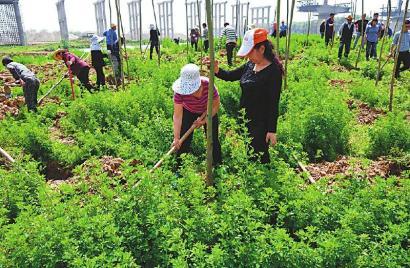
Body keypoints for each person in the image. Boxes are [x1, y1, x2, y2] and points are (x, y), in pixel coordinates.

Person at [206, 28, 283, 164]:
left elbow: (273, 102)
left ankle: (264, 180)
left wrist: (272, 130)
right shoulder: (250, 65)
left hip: (261, 123)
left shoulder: (273, 71)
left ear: (262, 49)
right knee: (250, 152)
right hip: (245, 119)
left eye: (250, 52)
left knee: (259, 156)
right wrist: (217, 70)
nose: (248, 57)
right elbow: (230, 76)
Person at [172, 64, 222, 166]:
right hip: (188, 111)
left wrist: (205, 120)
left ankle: (217, 165)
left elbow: (215, 106)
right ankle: (180, 166)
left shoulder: (209, 85)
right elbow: (177, 116)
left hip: (207, 111)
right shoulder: (179, 92)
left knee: (212, 138)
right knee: (183, 139)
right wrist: (176, 138)